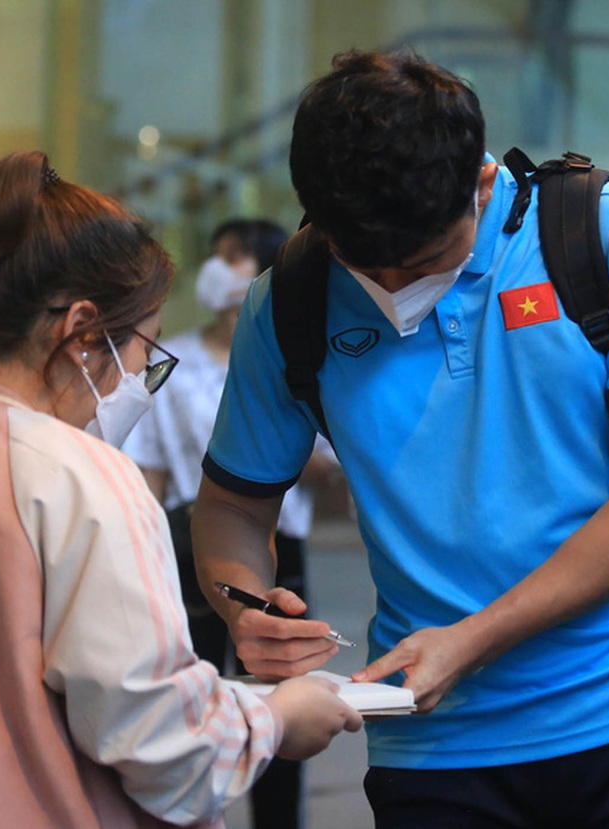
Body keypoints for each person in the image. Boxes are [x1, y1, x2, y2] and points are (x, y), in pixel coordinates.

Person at [191, 50, 609, 828]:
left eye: (422, 259)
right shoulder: (289, 299)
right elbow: (233, 506)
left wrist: (473, 639)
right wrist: (242, 604)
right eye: (363, 263)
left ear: (481, 182)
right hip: (436, 750)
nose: (395, 287)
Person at [0, 151, 361, 829]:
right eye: (146, 349)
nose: (143, 379)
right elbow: (166, 747)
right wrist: (276, 717)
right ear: (84, 335)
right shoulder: (78, 477)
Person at [123, 218, 339, 829]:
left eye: (235, 259)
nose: (218, 270)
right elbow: (150, 471)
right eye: (216, 258)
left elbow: (326, 464)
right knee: (188, 696)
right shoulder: (172, 362)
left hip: (278, 547)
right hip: (184, 546)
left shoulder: (294, 351)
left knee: (280, 693)